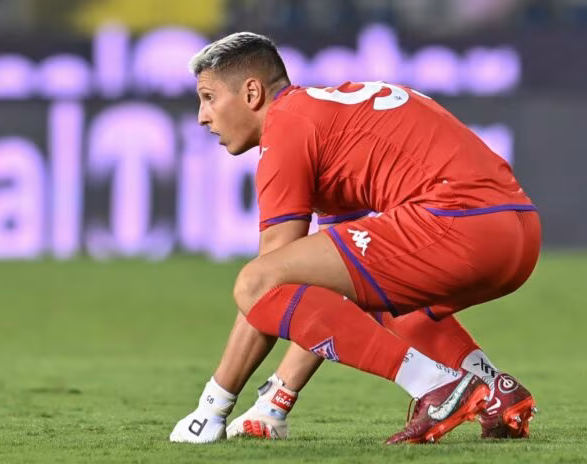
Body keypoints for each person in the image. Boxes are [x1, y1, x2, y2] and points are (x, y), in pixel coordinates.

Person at [169, 32, 540, 445]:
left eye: (208, 98)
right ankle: (494, 390)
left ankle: (436, 386)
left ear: (251, 93)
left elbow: (266, 283)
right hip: (517, 231)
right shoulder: (325, 118)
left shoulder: (288, 125)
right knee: (381, 301)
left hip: (460, 222)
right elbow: (330, 288)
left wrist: (213, 407)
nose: (202, 117)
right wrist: (276, 401)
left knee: (255, 282)